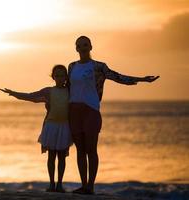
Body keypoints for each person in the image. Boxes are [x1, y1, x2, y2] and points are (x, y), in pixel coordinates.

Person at [68, 35, 159, 195]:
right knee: (80, 151)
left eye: (85, 44)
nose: (82, 47)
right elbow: (67, 88)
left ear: (90, 47)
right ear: (76, 48)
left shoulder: (99, 66)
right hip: (74, 111)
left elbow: (117, 77)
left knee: (91, 150)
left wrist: (142, 79)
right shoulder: (72, 66)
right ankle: (83, 186)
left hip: (91, 110)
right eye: (79, 45)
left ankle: (90, 186)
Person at [0, 65, 73, 193]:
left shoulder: (71, 91)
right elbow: (31, 96)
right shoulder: (48, 91)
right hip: (51, 126)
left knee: (62, 157)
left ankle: (60, 185)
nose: (60, 78)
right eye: (57, 75)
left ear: (66, 77)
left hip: (65, 126)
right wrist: (14, 93)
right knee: (51, 156)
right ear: (53, 77)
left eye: (62, 75)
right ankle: (51, 184)